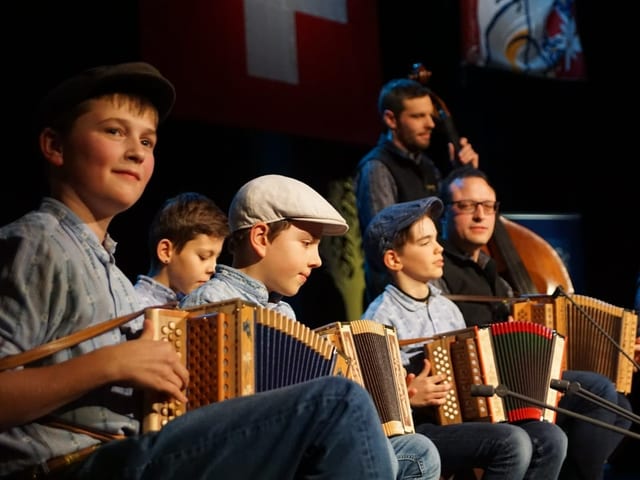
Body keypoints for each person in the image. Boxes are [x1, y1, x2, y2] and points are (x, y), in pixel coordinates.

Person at [0, 62, 398, 479]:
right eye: (114, 131)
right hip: (72, 465)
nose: (137, 150)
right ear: (55, 146)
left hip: (125, 453)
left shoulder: (107, 267)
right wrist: (113, 364)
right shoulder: (37, 242)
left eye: (148, 140)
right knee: (336, 403)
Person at [180, 173, 442, 480]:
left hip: (292, 450)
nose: (317, 260)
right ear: (261, 238)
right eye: (306, 243)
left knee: (418, 451)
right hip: (247, 459)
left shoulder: (283, 312)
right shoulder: (212, 302)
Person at [433, 165, 635, 480]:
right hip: (477, 385)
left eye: (488, 207)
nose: (480, 216)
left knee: (619, 406)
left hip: (513, 378)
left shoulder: (495, 276)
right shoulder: (436, 269)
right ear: (444, 213)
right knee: (597, 389)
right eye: (467, 206)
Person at [361, 195, 568, 479]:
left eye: (437, 239)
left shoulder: (447, 307)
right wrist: (408, 398)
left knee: (550, 437)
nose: (439, 249)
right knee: (512, 442)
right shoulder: (379, 318)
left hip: (463, 419)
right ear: (394, 259)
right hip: (422, 429)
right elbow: (375, 406)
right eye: (426, 243)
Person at [353, 77, 480, 303]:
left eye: (430, 115)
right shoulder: (377, 168)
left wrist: (463, 176)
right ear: (391, 119)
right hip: (403, 301)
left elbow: (446, 229)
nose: (431, 124)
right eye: (418, 116)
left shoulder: (427, 166)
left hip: (434, 293)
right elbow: (386, 243)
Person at [134, 191, 229, 307]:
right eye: (203, 257)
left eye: (216, 258)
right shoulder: (135, 308)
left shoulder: (191, 304)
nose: (213, 268)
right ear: (165, 251)